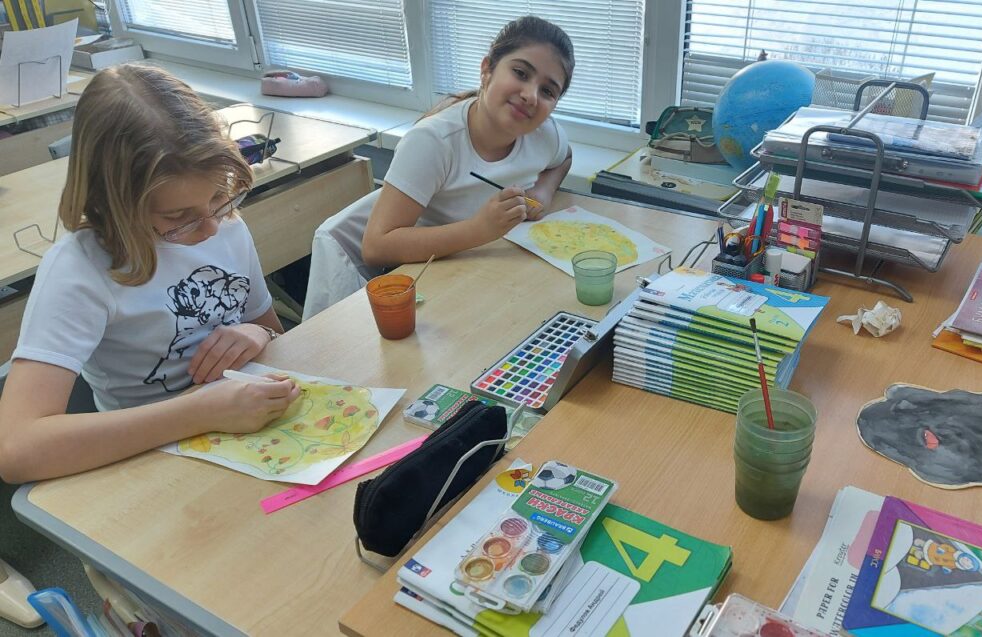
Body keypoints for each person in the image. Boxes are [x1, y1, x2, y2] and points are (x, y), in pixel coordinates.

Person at [0, 65, 300, 484]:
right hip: (147, 463)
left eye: (219, 196)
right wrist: (201, 412)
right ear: (116, 201)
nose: (211, 228)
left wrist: (258, 333)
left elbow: (274, 333)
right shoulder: (80, 270)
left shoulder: (223, 222)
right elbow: (16, 449)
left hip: (243, 432)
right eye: (177, 217)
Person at [304, 15, 575, 318]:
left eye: (548, 91)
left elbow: (564, 158)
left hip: (478, 274)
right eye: (521, 73)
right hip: (417, 284)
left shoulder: (546, 134)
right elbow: (376, 247)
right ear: (487, 69)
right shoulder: (433, 142)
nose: (530, 96)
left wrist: (544, 190)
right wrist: (479, 229)